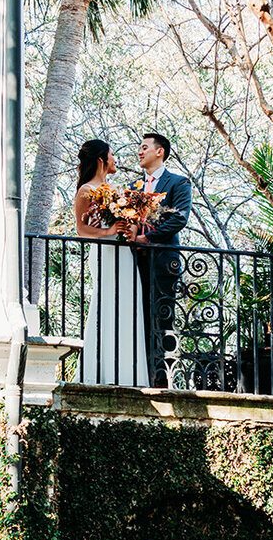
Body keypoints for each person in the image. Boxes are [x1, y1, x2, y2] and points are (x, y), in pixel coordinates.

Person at [74, 138, 151, 386]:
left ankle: (129, 375)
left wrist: (134, 224)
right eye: (112, 154)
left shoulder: (116, 192)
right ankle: (98, 373)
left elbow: (126, 223)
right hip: (105, 254)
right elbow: (81, 229)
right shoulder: (86, 191)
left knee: (129, 305)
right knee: (107, 305)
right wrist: (107, 232)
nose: (115, 159)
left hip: (124, 254)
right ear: (101, 159)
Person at [129, 132, 192, 386]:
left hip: (164, 260)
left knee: (163, 317)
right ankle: (138, 373)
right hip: (134, 261)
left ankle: (162, 378)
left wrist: (148, 237)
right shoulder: (134, 187)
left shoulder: (178, 182)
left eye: (144, 147)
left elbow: (179, 218)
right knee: (137, 316)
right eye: (140, 148)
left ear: (160, 152)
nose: (140, 152)